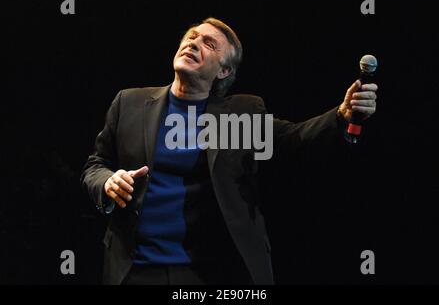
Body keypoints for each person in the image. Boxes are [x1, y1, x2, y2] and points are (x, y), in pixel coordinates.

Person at [80, 17, 378, 285]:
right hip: (133, 268)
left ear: (224, 70)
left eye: (208, 43)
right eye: (192, 36)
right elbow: (96, 164)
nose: (194, 43)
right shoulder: (129, 103)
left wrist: (341, 115)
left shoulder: (241, 114)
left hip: (207, 272)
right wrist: (107, 182)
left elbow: (294, 139)